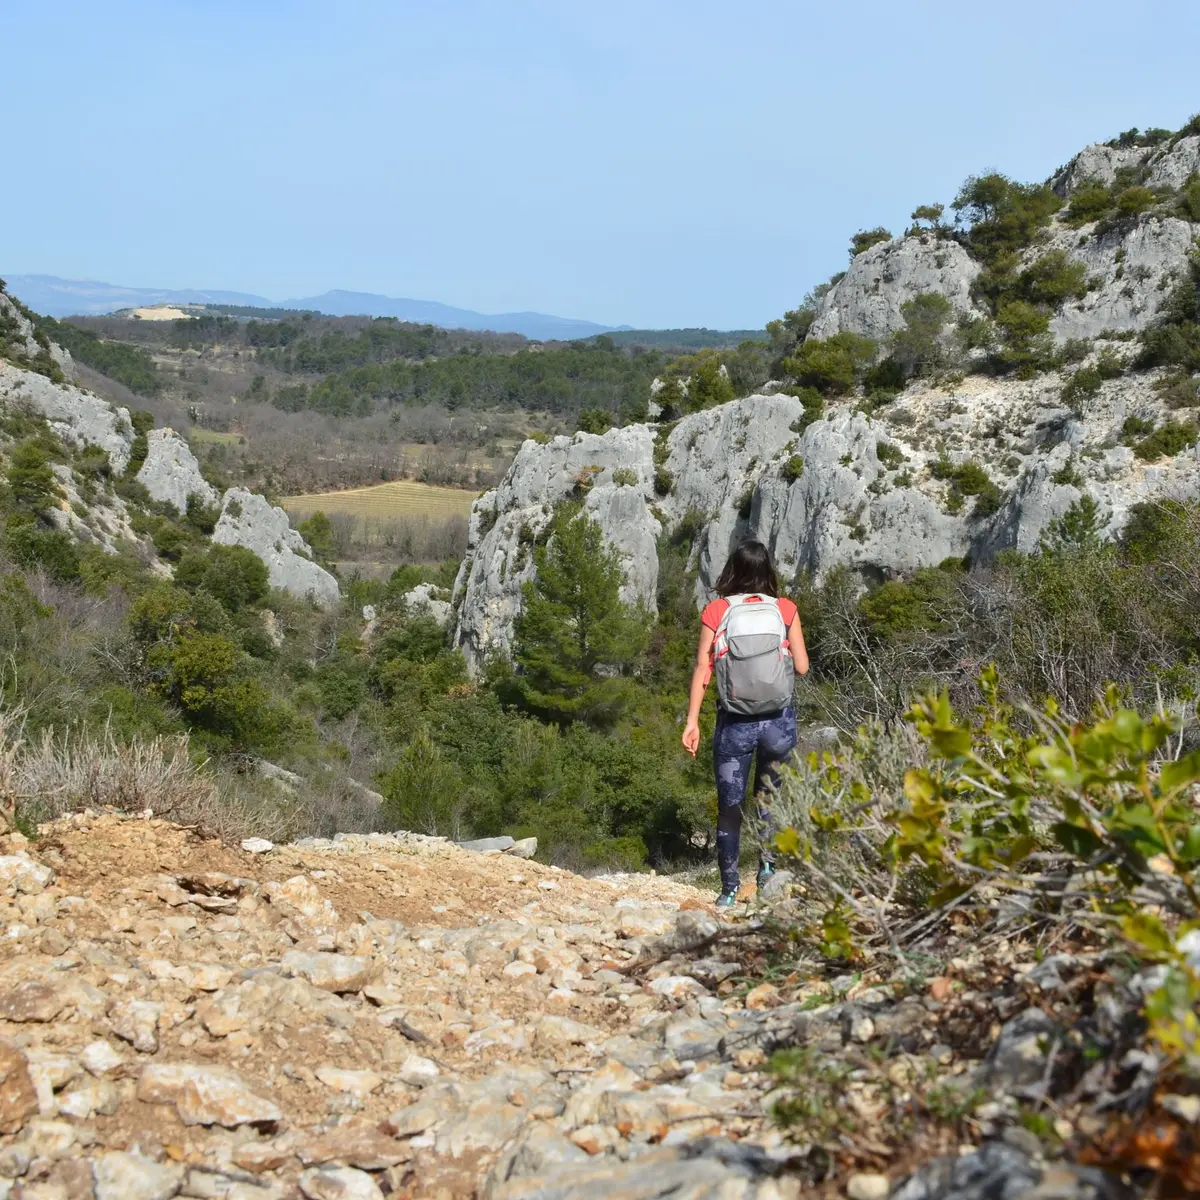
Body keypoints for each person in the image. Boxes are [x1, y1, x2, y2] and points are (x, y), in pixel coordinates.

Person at [682, 539, 809, 907]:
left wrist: (692, 721)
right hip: (778, 724)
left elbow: (703, 668)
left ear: (732, 570)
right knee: (770, 798)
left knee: (730, 808)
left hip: (734, 723)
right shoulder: (785, 609)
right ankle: (767, 870)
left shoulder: (716, 610)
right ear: (768, 570)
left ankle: (729, 889)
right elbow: (801, 667)